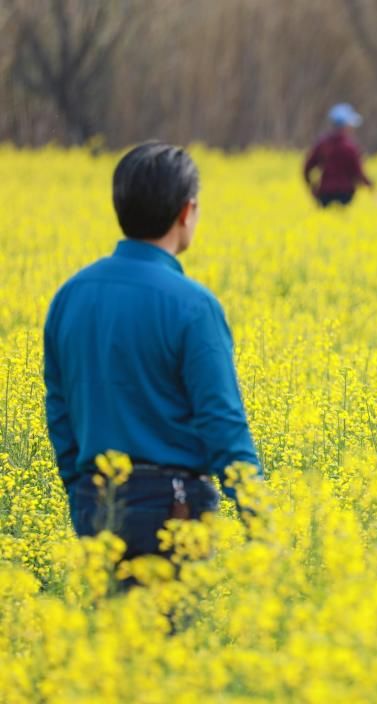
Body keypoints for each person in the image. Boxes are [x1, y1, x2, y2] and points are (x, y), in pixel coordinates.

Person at [44, 142, 261, 564]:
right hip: (172, 507)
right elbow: (221, 422)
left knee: (108, 628)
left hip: (96, 501)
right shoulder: (193, 306)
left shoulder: (70, 296)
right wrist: (260, 519)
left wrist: (80, 490)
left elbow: (60, 410)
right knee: (165, 629)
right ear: (186, 212)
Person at [304, 103, 374, 207]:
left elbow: (307, 169)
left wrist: (312, 187)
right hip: (345, 195)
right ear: (345, 126)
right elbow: (358, 172)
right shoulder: (350, 147)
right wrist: (371, 186)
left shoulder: (322, 144)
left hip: (324, 194)